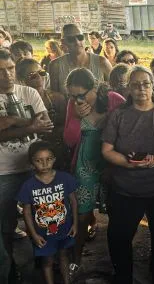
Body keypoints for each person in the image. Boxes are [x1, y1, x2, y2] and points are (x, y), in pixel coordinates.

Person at [101, 66, 154, 284]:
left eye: (146, 84)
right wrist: (128, 164)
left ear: (153, 86)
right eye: (135, 84)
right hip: (125, 188)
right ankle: (123, 277)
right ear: (128, 88)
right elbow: (106, 149)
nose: (141, 88)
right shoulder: (119, 115)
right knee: (118, 238)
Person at [63, 68, 125, 275]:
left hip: (113, 164)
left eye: (82, 94)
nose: (78, 100)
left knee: (117, 215)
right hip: (85, 165)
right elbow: (69, 140)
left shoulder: (114, 99)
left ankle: (119, 261)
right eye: (73, 96)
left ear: (96, 87)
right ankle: (76, 260)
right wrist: (75, 118)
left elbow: (127, 130)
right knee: (81, 215)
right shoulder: (74, 106)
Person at [0, 49, 53, 283]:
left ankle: (46, 266)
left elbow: (46, 125)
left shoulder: (29, 92)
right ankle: (9, 269)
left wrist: (10, 123)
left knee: (44, 220)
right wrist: (29, 126)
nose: (7, 75)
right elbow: (36, 126)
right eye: (0, 71)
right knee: (6, 225)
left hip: (35, 169)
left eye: (10, 69)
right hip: (3, 172)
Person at [17, 141, 78, 284]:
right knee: (47, 261)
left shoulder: (65, 179)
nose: (44, 164)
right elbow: (26, 212)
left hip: (65, 230)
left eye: (48, 159)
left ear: (54, 159)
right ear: (32, 163)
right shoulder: (28, 186)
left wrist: (75, 224)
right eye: (39, 160)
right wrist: (34, 234)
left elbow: (74, 202)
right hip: (43, 235)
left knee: (64, 257)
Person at [16, 59, 67, 169]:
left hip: (55, 151)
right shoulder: (18, 103)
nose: (39, 77)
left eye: (42, 73)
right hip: (28, 154)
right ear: (21, 79)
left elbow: (66, 125)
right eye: (33, 75)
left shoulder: (57, 98)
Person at [49, 24, 112, 95]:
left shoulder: (102, 62)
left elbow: (114, 94)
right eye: (71, 39)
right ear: (63, 42)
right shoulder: (55, 66)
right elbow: (55, 98)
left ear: (84, 39)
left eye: (80, 37)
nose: (77, 42)